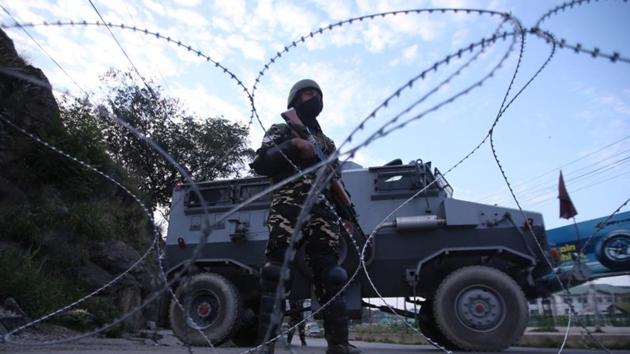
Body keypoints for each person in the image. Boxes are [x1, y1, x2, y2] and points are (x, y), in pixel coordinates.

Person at [250, 79, 360, 354]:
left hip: (323, 211)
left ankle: (339, 344)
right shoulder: (282, 129)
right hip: (290, 203)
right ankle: (265, 345)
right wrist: (294, 145)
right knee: (276, 271)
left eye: (317, 94)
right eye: (308, 94)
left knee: (332, 274)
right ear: (295, 100)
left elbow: (336, 181)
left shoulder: (328, 143)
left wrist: (346, 212)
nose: (314, 98)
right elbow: (261, 163)